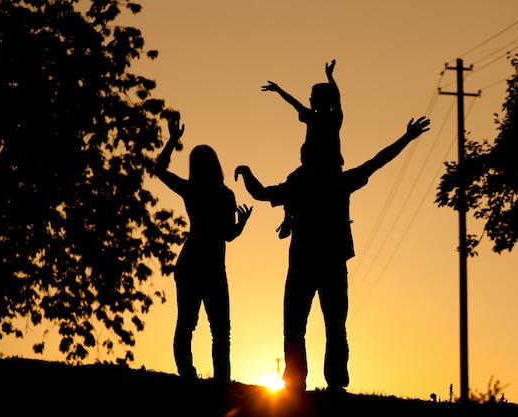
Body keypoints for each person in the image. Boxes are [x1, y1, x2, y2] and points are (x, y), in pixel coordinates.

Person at [234, 116, 431, 393]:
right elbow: (377, 161)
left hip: (305, 263)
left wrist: (246, 173)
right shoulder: (336, 181)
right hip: (331, 263)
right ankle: (334, 382)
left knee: (298, 326)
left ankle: (297, 382)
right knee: (333, 326)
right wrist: (406, 138)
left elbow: (261, 193)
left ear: (306, 157)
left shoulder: (301, 182)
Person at [156, 117, 252, 382]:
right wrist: (242, 224)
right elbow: (228, 235)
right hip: (211, 268)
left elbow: (160, 170)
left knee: (187, 323)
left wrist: (173, 141)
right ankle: (220, 381)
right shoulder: (225, 195)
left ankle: (188, 375)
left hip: (191, 263)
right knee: (220, 330)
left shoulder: (192, 190)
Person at [262, 59, 343, 238]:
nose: (310, 99)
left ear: (323, 100)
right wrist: (279, 90)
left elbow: (337, 98)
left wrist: (330, 77)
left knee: (294, 180)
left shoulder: (333, 118)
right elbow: (295, 103)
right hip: (310, 167)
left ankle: (288, 219)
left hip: (326, 168)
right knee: (294, 180)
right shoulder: (312, 117)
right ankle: (288, 218)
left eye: (313, 97)